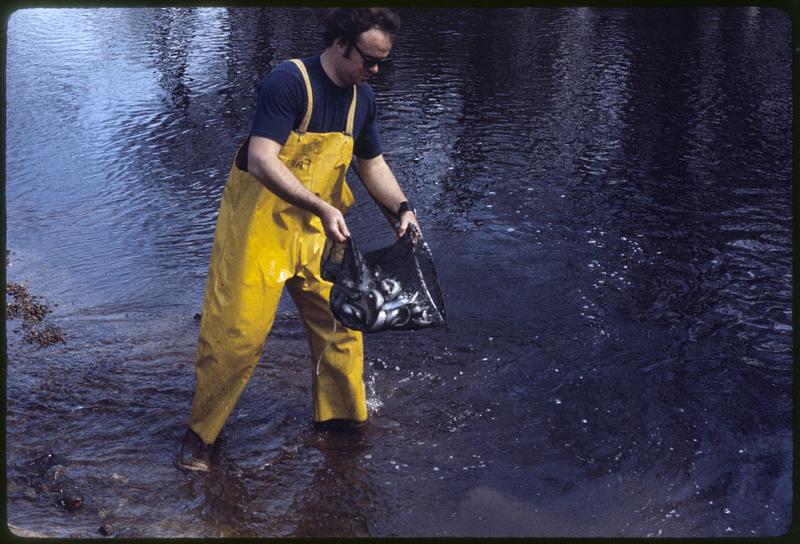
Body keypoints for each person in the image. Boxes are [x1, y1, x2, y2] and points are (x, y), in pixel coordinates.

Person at [177, 7, 418, 472]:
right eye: (368, 60)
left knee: (344, 327)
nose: (374, 71)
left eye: (383, 63)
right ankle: (200, 436)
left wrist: (403, 211)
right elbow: (264, 159)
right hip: (258, 230)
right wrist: (323, 206)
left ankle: (341, 426)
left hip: (318, 233)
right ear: (341, 44)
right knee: (237, 338)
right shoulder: (289, 82)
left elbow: (372, 164)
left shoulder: (361, 99)